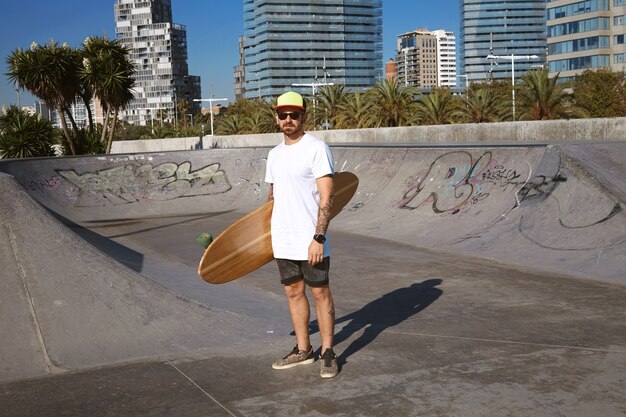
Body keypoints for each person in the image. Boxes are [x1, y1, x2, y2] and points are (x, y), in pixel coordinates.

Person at [265, 91, 338, 378]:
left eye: (294, 115)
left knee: (320, 293)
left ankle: (328, 351)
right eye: (283, 115)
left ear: (303, 117)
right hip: (283, 239)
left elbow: (327, 198)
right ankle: (303, 349)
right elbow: (272, 200)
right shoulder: (273, 155)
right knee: (293, 293)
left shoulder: (316, 148)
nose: (288, 120)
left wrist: (318, 238)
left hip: (311, 241)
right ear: (276, 117)